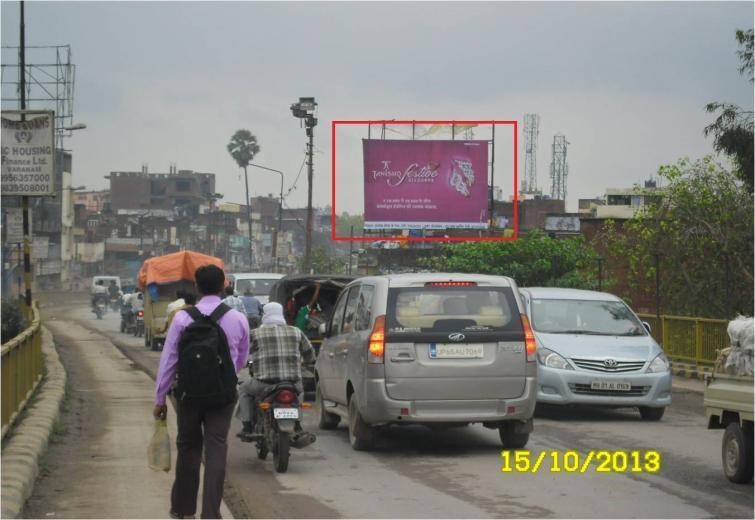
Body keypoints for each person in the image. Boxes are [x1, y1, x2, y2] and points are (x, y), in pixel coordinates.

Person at [153, 265, 249, 520]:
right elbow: (241, 358)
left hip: (188, 395)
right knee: (216, 449)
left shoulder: (183, 318)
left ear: (197, 286)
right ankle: (210, 513)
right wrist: (224, 377)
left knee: (188, 449)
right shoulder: (237, 318)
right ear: (223, 286)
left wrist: (160, 398)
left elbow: (169, 360)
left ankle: (184, 510)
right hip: (222, 395)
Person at [236, 302, 315, 441]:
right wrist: (307, 364)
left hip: (264, 384)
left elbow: (244, 353)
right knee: (300, 391)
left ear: (265, 315)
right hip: (292, 384)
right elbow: (310, 353)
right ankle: (297, 424)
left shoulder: (256, 333)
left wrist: (241, 364)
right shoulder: (296, 331)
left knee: (243, 389)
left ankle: (247, 426)